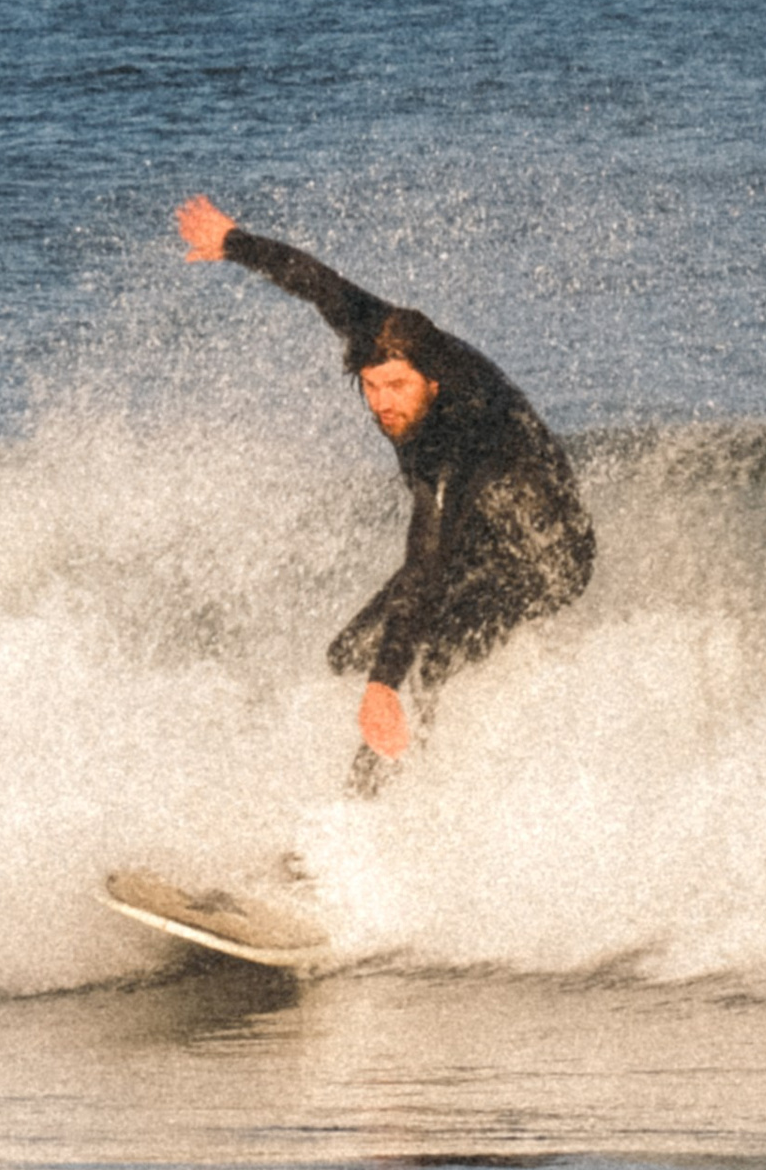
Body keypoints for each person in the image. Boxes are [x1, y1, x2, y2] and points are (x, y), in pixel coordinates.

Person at [176, 196, 596, 779]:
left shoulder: (462, 434)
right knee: (349, 654)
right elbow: (318, 284)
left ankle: (382, 807)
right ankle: (384, 760)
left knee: (426, 660)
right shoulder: (381, 333)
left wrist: (383, 684)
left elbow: (425, 565)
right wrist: (233, 243)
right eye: (372, 387)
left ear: (433, 379)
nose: (383, 403)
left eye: (398, 387)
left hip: (545, 555)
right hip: (478, 532)